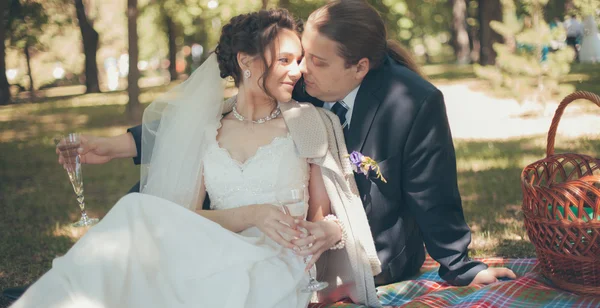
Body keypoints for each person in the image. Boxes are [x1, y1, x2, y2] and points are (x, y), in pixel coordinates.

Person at [0, 9, 381, 308]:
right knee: (134, 227)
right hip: (212, 249)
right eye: (285, 60)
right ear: (247, 63)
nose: (298, 70)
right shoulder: (209, 128)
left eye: (298, 60)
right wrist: (251, 215)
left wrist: (324, 231)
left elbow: (328, 216)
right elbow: (181, 218)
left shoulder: (308, 122)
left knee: (148, 266)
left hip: (277, 269)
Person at [59, 0, 513, 288]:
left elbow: (432, 192)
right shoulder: (305, 79)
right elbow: (208, 121)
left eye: (315, 61)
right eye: (298, 58)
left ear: (359, 68)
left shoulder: (411, 102)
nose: (300, 73)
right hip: (270, 232)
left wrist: (460, 266)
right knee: (147, 206)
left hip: (369, 244)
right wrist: (116, 146)